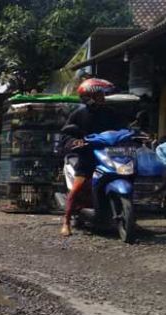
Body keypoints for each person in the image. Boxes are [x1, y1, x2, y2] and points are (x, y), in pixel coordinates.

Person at [60, 78, 125, 236]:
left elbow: (123, 127)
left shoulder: (110, 113)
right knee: (77, 189)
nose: (102, 97)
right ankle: (66, 221)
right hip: (87, 156)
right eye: (99, 95)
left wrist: (135, 134)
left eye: (103, 95)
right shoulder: (79, 114)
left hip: (108, 155)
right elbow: (66, 135)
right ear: (89, 97)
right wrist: (76, 142)